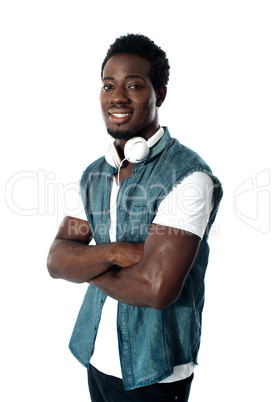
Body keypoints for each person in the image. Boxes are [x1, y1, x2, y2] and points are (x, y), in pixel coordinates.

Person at [47, 34, 223, 402]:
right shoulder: (95, 175)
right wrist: (116, 252)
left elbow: (156, 289)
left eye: (134, 86)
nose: (117, 97)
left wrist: (87, 266)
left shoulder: (189, 178)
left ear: (160, 93)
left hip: (155, 373)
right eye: (108, 85)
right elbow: (56, 260)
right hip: (96, 358)